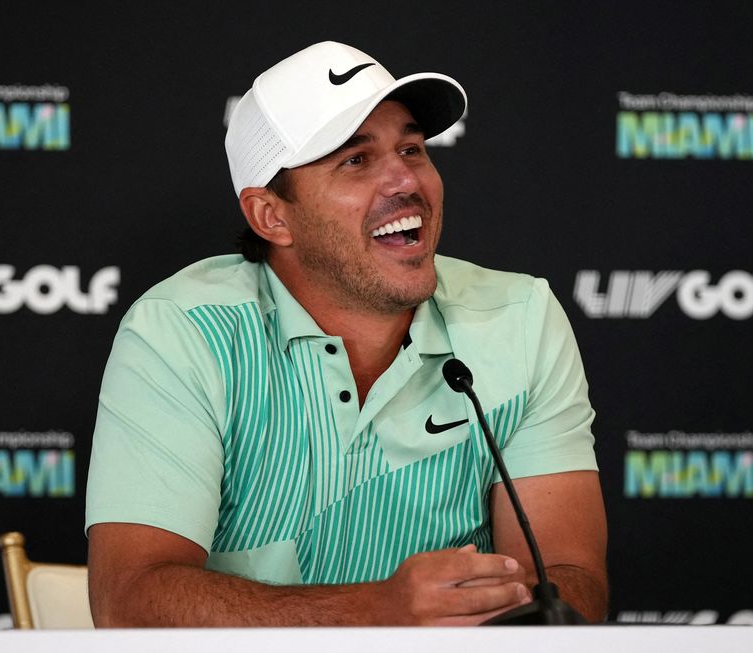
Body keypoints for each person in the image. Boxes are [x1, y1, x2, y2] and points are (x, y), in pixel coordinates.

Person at [85, 41, 607, 627]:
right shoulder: (182, 333)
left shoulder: (521, 318)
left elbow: (569, 575)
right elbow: (130, 601)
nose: (406, 180)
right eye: (355, 161)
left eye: (411, 148)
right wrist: (378, 611)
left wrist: (515, 608)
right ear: (271, 216)